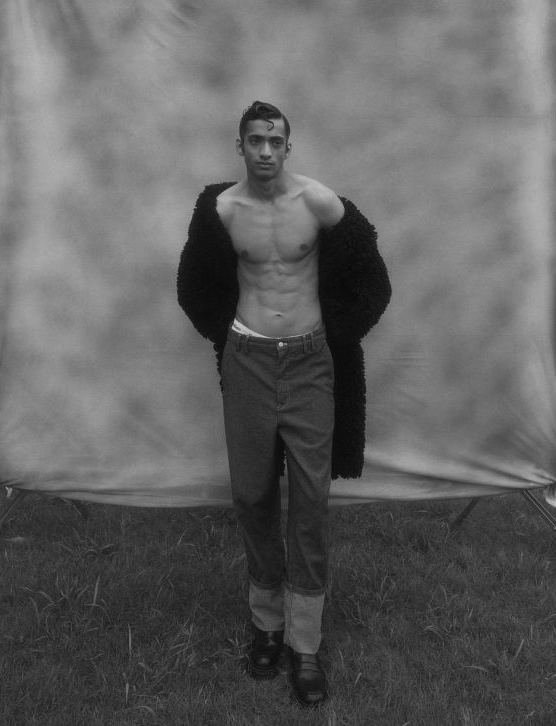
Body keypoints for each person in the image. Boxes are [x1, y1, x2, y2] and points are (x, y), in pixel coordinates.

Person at [177, 101, 390, 708]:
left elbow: (373, 279)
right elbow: (192, 285)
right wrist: (228, 335)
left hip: (309, 363)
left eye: (275, 141)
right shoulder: (221, 210)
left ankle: (305, 642)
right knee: (252, 495)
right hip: (247, 360)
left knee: (311, 500)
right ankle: (267, 624)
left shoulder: (319, 203)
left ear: (288, 147)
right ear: (239, 147)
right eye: (255, 141)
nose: (266, 151)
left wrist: (335, 336)